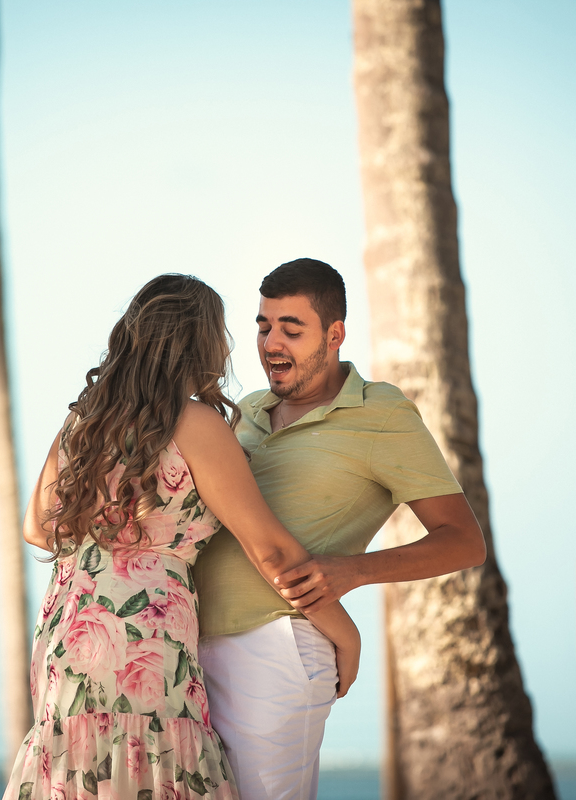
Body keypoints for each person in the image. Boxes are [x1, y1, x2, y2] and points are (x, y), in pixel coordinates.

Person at [3, 274, 361, 800]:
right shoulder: (194, 422)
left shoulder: (83, 420)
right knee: (159, 766)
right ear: (202, 345)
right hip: (144, 638)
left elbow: (38, 527)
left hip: (68, 635)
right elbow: (271, 550)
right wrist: (345, 636)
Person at [193, 258, 487, 800]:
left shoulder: (382, 413)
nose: (271, 343)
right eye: (263, 326)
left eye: (291, 328)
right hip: (188, 647)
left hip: (278, 646)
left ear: (335, 335)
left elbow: (463, 540)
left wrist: (352, 571)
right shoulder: (247, 410)